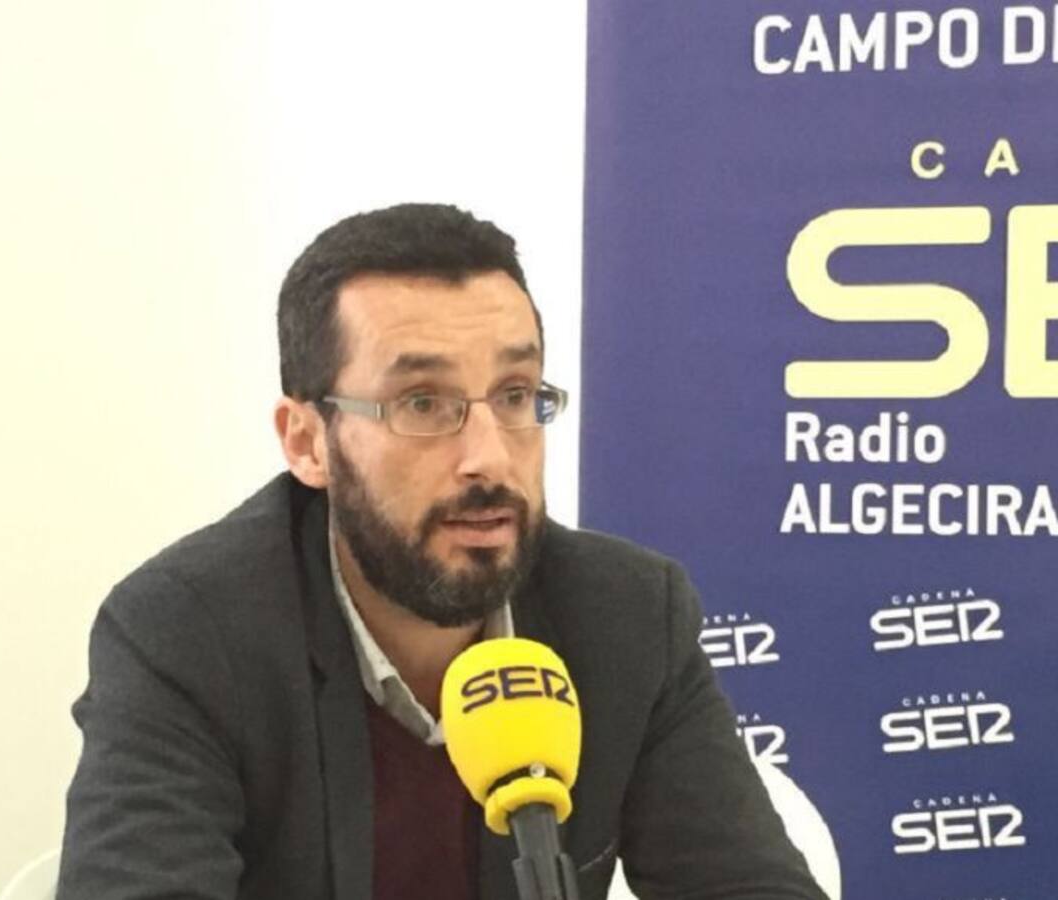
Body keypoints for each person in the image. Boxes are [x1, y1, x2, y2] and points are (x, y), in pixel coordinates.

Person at [57, 203, 825, 900]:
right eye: (423, 403)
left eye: (516, 395)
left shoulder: (628, 617)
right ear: (308, 442)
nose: (488, 457)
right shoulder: (188, 634)